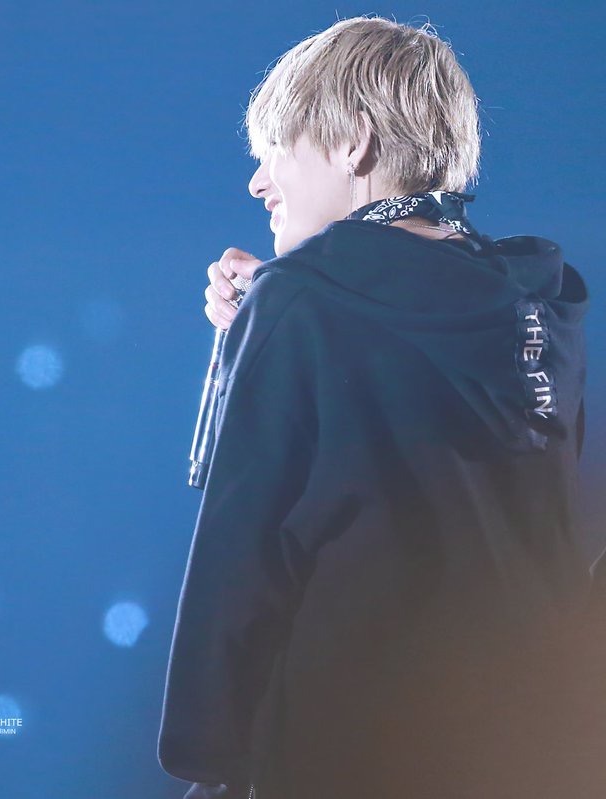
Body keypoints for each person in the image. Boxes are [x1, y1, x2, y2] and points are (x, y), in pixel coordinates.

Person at [159, 18, 601, 799]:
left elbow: (241, 556)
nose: (258, 182)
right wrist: (270, 313)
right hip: (532, 752)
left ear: (354, 143)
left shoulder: (301, 304)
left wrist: (207, 756)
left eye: (276, 148)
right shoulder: (539, 306)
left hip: (345, 745)